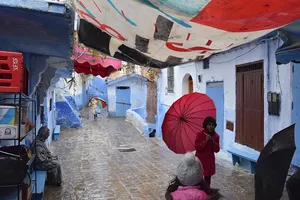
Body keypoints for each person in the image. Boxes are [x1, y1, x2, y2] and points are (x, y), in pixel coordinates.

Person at [195, 116, 220, 187]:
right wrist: (205, 141)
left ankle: (206, 193)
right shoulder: (200, 134)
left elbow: (217, 150)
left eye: (212, 125)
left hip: (209, 160)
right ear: (205, 125)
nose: (210, 127)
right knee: (198, 178)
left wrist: (213, 142)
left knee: (207, 179)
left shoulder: (216, 136)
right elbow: (198, 147)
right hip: (200, 159)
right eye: (209, 124)